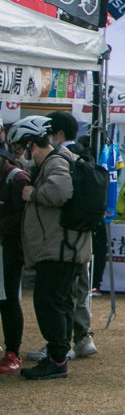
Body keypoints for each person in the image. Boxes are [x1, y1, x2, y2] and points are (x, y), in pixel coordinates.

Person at [16, 115, 93, 380]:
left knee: (49, 302)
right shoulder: (62, 159)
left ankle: (57, 359)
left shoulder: (56, 161)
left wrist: (33, 194)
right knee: (56, 301)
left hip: (60, 249)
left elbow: (60, 192)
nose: (23, 156)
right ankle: (57, 356)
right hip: (65, 248)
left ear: (31, 144)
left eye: (21, 149)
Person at [0, 134, 32, 374]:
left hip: (8, 249)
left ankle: (12, 351)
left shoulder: (16, 177)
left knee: (8, 298)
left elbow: (23, 217)